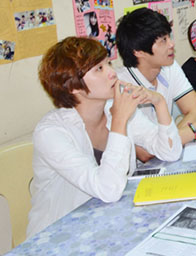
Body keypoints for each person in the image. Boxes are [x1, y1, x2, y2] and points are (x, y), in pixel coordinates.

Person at [27, 37, 181, 238]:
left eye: (108, 63)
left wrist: (159, 103)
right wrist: (119, 120)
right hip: (60, 234)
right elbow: (108, 189)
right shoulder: (51, 133)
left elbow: (170, 152)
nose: (112, 73)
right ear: (73, 86)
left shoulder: (111, 108)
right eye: (99, 69)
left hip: (107, 222)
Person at [115, 8, 196, 161]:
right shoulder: (121, 87)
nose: (171, 44)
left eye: (169, 37)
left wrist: (170, 141)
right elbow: (145, 154)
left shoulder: (169, 67)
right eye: (163, 40)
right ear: (138, 51)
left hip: (169, 159)